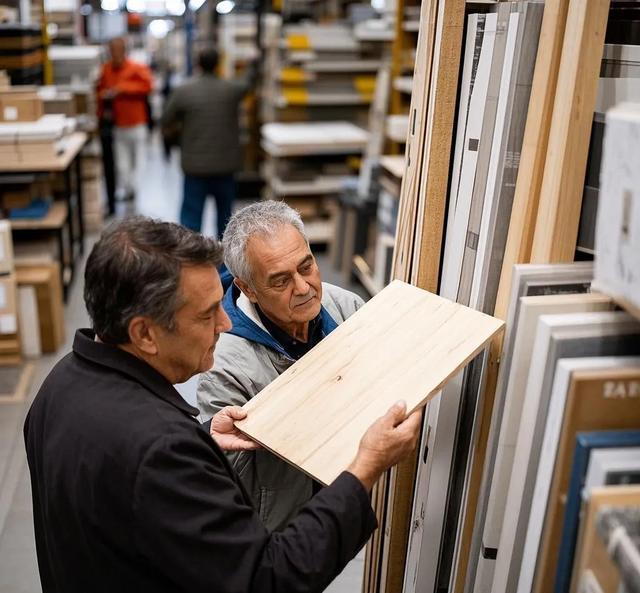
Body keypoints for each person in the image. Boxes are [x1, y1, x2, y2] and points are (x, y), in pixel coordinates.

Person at [24, 216, 421, 593]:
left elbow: (128, 498)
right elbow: (267, 580)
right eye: (206, 314)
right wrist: (365, 468)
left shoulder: (59, 385)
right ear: (145, 333)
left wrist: (201, 441)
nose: (226, 323)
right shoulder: (161, 449)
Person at [197, 200, 365, 530]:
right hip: (283, 530)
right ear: (247, 288)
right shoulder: (223, 367)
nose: (303, 288)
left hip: (344, 497)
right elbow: (231, 480)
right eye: (280, 281)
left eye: (307, 267)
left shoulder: (349, 308)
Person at [161, 47, 255, 237]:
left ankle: (193, 261)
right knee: (226, 222)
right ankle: (225, 263)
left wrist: (180, 138)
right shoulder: (230, 89)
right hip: (225, 166)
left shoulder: (184, 91)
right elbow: (247, 83)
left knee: (191, 220)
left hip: (195, 167)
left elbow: (165, 120)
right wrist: (252, 63)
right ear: (218, 64)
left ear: (198, 64)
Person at [97, 37, 153, 206]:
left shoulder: (136, 68)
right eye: (112, 50)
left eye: (118, 49)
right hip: (118, 124)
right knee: (122, 165)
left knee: (139, 161)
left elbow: (148, 86)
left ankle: (134, 189)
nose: (115, 53)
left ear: (124, 50)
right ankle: (129, 189)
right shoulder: (105, 70)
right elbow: (100, 92)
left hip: (137, 123)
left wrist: (122, 90)